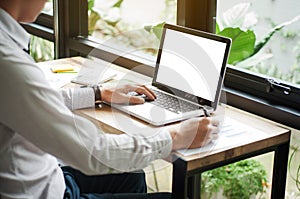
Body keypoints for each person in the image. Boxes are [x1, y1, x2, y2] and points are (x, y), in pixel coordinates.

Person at [0, 0, 219, 199]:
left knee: (133, 176)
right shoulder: (8, 63)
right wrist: (177, 135)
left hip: (47, 175)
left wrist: (98, 93)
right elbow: (94, 152)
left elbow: (30, 101)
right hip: (40, 192)